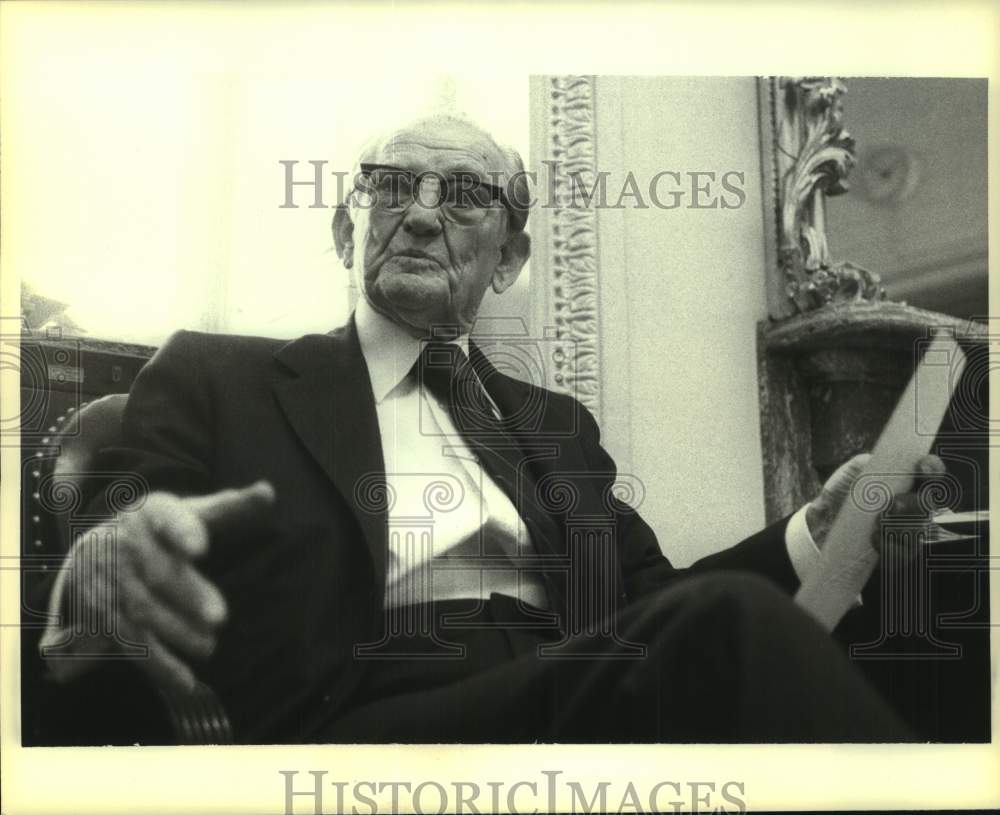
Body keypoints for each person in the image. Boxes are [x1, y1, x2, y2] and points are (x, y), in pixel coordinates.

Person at [30, 114, 942, 744]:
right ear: (350, 234)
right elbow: (126, 524)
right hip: (351, 725)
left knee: (905, 638)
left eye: (464, 194)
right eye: (394, 187)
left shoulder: (558, 427)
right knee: (728, 634)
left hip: (572, 697)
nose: (421, 212)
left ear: (508, 258)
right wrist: (107, 555)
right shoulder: (216, 374)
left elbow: (657, 605)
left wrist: (811, 535)